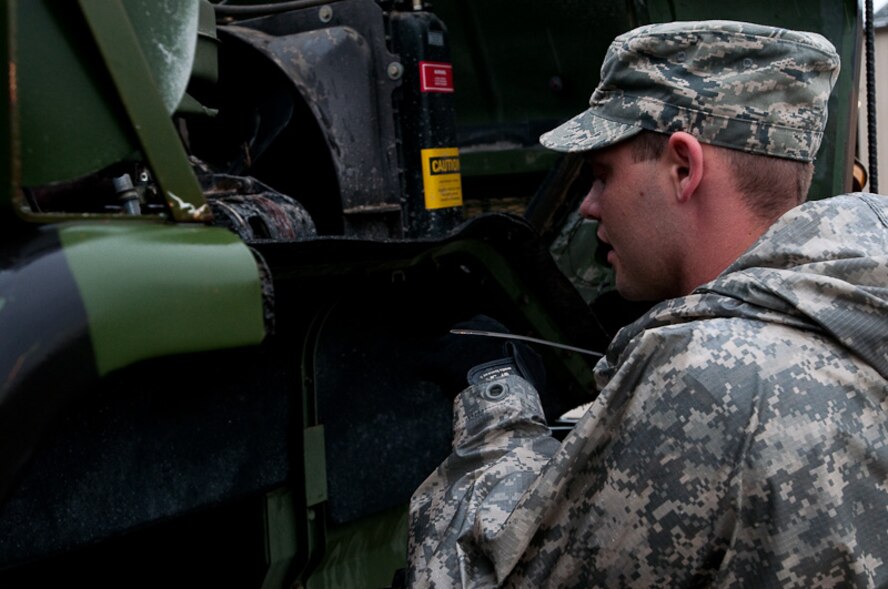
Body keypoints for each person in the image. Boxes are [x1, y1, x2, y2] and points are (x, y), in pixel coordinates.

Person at [407, 20, 888, 587]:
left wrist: (495, 405)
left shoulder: (708, 377)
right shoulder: (856, 310)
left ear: (683, 168)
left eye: (601, 175)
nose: (588, 205)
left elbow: (491, 577)